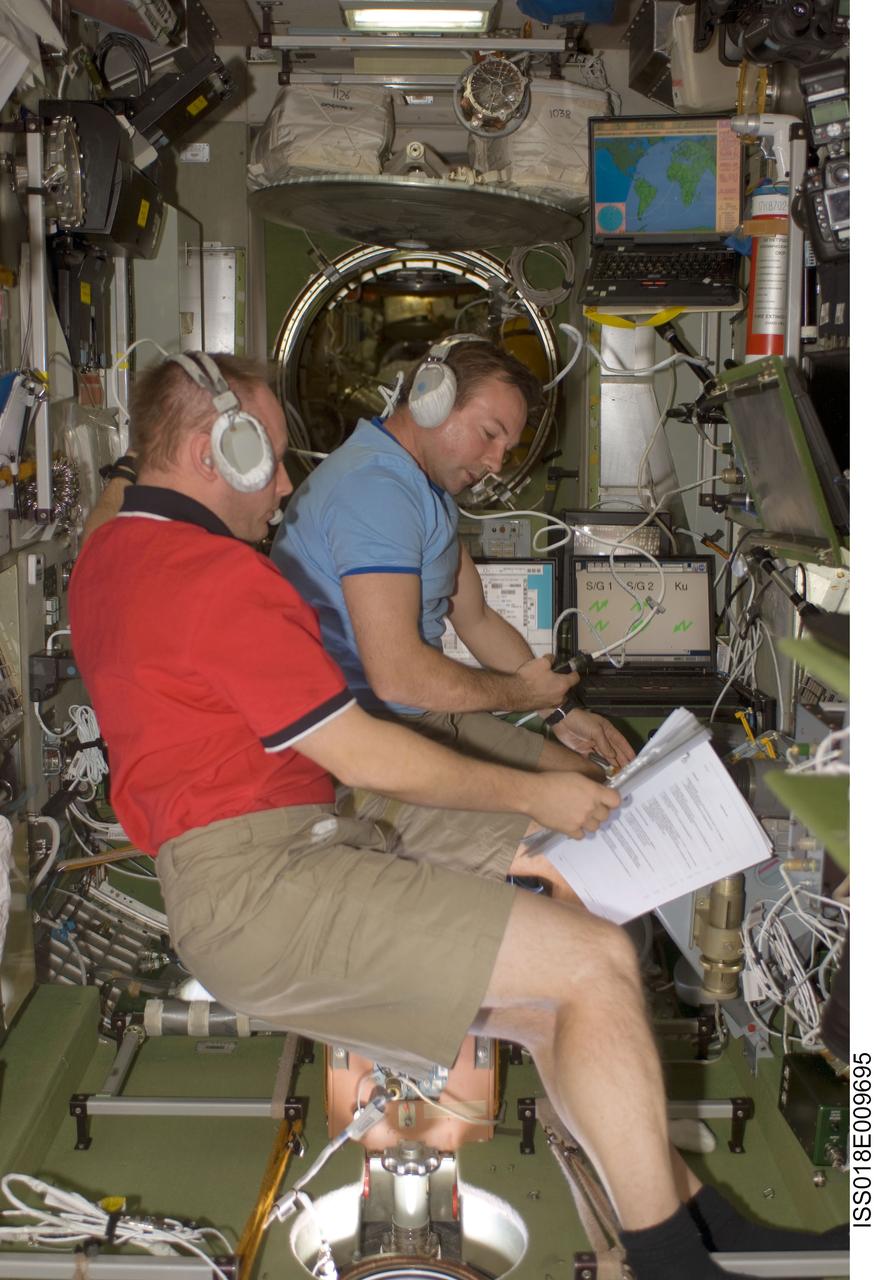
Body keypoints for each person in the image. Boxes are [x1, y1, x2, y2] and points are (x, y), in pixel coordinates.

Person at [70, 354, 845, 1280]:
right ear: (211, 452)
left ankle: (701, 1222)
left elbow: (123, 490)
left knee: (569, 946)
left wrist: (547, 738)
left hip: (287, 833)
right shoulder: (212, 578)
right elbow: (363, 745)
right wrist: (533, 787)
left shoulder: (113, 548)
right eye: (269, 462)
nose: (283, 489)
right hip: (268, 878)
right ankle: (681, 1265)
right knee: (592, 962)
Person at [271, 338, 635, 778]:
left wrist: (560, 711)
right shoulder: (376, 490)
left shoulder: (425, 490)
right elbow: (398, 675)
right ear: (431, 401)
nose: (497, 462)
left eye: (508, 447)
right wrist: (521, 695)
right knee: (582, 812)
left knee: (595, 777)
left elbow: (475, 617)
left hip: (416, 718)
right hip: (365, 733)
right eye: (489, 434)